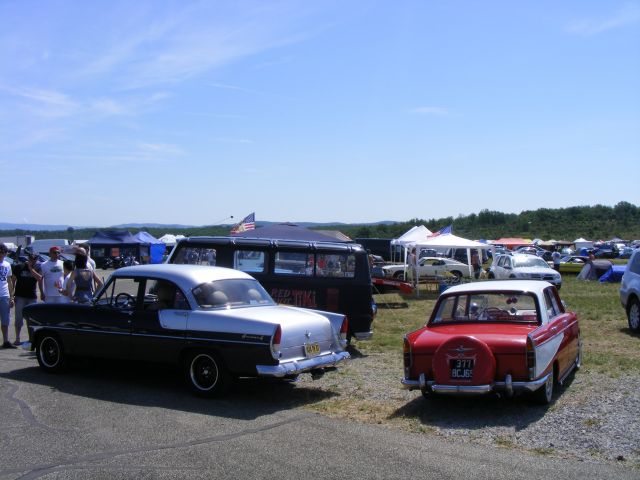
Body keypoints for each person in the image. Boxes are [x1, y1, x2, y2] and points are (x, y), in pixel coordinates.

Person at [11, 252, 42, 345]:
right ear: (28, 258)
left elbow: (39, 278)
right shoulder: (19, 267)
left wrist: (30, 268)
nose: (32, 260)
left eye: (34, 259)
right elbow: (13, 280)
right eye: (31, 258)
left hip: (31, 296)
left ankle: (31, 339)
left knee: (31, 319)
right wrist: (12, 295)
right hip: (20, 296)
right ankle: (17, 338)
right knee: (18, 318)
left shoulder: (37, 268)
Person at [0, 244, 16, 348]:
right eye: (0, 252)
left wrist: (11, 296)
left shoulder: (7, 265)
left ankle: (5, 341)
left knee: (5, 320)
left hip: (4, 295)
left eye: (4, 252)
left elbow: (9, 281)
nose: (2, 254)